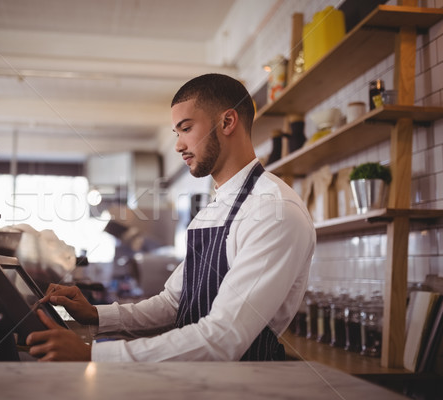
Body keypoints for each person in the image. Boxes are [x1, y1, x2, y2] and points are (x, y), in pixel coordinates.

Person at [26, 73, 316, 362]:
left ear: (227, 122)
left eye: (186, 128)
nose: (178, 145)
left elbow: (223, 337)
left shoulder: (274, 210)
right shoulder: (211, 212)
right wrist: (95, 314)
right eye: (176, 134)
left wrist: (95, 356)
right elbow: (174, 304)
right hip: (194, 381)